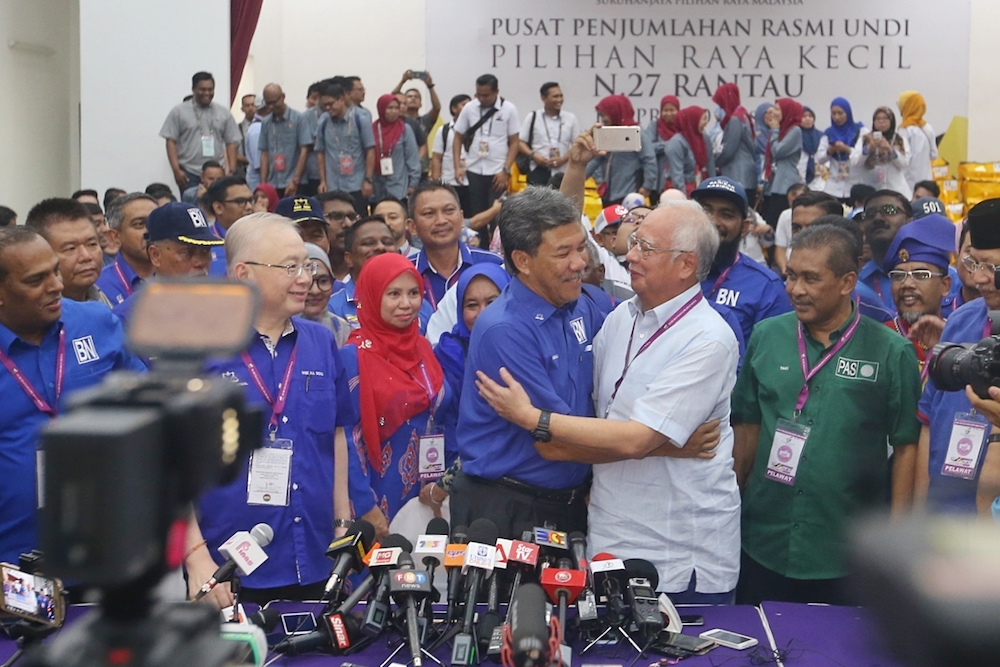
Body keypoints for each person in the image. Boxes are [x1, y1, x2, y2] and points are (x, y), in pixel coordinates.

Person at [475, 199, 739, 600]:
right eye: (634, 241)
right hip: (606, 537)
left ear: (686, 265)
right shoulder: (619, 318)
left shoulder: (707, 339)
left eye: (646, 249)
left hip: (676, 549)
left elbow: (632, 439)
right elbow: (579, 439)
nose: (629, 255)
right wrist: (668, 446)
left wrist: (533, 417)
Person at [733, 224, 920, 605]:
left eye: (811, 278)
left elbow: (906, 448)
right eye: (791, 276)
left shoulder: (891, 351)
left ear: (847, 281)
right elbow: (747, 426)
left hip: (844, 549)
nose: (796, 289)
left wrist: (898, 536)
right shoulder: (766, 336)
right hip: (764, 539)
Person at [184, 213, 359, 607]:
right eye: (290, 266)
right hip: (227, 569)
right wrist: (195, 558)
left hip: (316, 559)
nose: (305, 278)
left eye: (308, 265)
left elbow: (335, 433)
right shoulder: (198, 348)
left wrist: (341, 524)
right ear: (244, 273)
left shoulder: (320, 341)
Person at [449, 186, 604, 537]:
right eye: (563, 253)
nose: (580, 263)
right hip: (505, 510)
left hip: (567, 502)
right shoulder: (504, 329)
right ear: (522, 261)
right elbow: (558, 441)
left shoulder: (580, 304)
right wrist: (657, 444)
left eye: (581, 247)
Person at [0, 226, 145, 565]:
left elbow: (147, 406)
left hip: (107, 559)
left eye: (54, 270)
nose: (56, 286)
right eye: (36, 280)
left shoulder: (96, 322)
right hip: (12, 570)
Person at [340, 252, 459, 528]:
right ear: (372, 296)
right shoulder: (354, 356)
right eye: (393, 294)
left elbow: (442, 416)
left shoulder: (423, 348)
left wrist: (444, 485)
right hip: (381, 494)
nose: (406, 304)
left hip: (431, 490)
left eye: (414, 293)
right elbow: (348, 438)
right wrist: (364, 505)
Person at [916, 199, 1000, 515]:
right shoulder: (960, 320)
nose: (978, 279)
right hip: (942, 524)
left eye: (992, 268)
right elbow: (928, 423)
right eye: (974, 263)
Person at [691, 177, 791, 344]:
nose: (713, 221)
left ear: (744, 227)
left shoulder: (766, 287)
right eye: (705, 211)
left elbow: (774, 356)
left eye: (726, 215)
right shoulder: (666, 269)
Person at [111, 202, 222, 328]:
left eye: (205, 251)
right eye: (186, 252)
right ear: (155, 255)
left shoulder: (223, 309)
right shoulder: (129, 319)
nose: (200, 262)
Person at [407, 182, 503, 310]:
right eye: (429, 213)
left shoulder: (494, 264)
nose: (441, 221)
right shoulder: (405, 272)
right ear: (412, 227)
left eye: (449, 210)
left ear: (462, 218)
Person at [452, 74, 520, 247]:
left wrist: (506, 170)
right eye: (478, 94)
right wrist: (458, 166)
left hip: (498, 171)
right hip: (474, 170)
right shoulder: (469, 108)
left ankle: (500, 252)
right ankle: (480, 253)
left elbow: (514, 143)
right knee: (478, 216)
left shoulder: (509, 109)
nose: (481, 99)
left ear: (496, 92)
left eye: (486, 95)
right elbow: (458, 137)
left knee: (498, 217)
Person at [881, 213, 955, 370]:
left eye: (921, 275)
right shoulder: (877, 338)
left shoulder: (958, 336)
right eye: (898, 275)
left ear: (945, 286)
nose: (907, 284)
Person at [435, 264, 511, 399]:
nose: (482, 313)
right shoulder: (450, 354)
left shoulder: (526, 344)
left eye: (492, 302)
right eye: (472, 305)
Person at [160, 72, 241, 192]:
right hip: (189, 172)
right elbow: (170, 141)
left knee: (217, 207)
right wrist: (176, 170)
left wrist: (232, 171)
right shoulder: (179, 112)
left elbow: (231, 142)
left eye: (210, 89)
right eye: (202, 89)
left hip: (217, 174)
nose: (207, 93)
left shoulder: (223, 112)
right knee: (191, 209)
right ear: (193, 89)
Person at [25, 199, 110, 306]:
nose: (86, 256)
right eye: (71, 248)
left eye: (92, 244)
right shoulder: (33, 316)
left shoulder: (100, 297)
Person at [315, 81, 376, 214]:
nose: (328, 108)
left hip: (356, 184)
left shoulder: (360, 119)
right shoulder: (323, 121)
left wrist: (368, 180)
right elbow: (320, 152)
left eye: (331, 104)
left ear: (341, 99)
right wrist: (323, 181)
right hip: (333, 185)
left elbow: (370, 150)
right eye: (325, 105)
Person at [328, 215, 399, 328]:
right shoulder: (332, 307)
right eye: (368, 243)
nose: (380, 247)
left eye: (387, 242)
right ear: (349, 258)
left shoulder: (416, 304)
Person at [587, 95, 656, 205]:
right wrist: (579, 175)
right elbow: (596, 159)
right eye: (601, 116)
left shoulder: (636, 133)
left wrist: (647, 186)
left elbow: (649, 159)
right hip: (609, 194)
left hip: (630, 195)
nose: (603, 119)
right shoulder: (608, 133)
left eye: (605, 115)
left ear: (615, 112)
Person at [96, 193, 157, 305]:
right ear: (115, 237)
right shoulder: (99, 286)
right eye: (139, 224)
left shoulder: (179, 277)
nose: (150, 231)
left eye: (156, 223)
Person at [518, 82, 579, 187]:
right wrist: (534, 156)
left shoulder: (570, 118)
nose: (559, 100)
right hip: (538, 170)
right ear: (543, 98)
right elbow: (520, 142)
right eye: (555, 96)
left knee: (560, 203)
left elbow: (577, 145)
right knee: (536, 203)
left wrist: (563, 159)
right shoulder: (533, 117)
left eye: (561, 96)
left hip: (562, 172)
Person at [259, 83, 312, 197]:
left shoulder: (299, 118)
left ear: (283, 97)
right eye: (268, 103)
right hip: (273, 182)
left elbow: (304, 151)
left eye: (274, 102)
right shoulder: (266, 122)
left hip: (294, 183)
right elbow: (264, 153)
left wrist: (295, 180)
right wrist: (264, 184)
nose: (271, 107)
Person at [760, 98, 804, 228]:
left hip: (784, 186)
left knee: (775, 224)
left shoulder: (795, 130)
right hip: (773, 184)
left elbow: (778, 151)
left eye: (778, 109)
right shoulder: (782, 129)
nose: (773, 112)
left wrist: (774, 130)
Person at [852, 107, 912, 199]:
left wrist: (890, 150)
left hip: (895, 189)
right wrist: (868, 148)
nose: (881, 122)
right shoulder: (865, 139)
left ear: (891, 121)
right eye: (878, 119)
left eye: (885, 118)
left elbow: (904, 164)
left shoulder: (899, 139)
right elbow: (855, 162)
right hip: (871, 188)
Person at [371, 94, 421, 204]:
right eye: (389, 108)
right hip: (376, 186)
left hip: (399, 186)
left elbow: (412, 158)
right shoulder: (372, 129)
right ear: (381, 109)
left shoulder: (405, 129)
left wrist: (413, 184)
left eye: (396, 108)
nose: (393, 111)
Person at [712, 84, 757, 205]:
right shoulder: (743, 115)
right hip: (745, 173)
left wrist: (713, 163)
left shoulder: (735, 120)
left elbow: (729, 151)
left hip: (738, 173)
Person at [816, 98, 866, 203]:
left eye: (840, 113)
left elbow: (862, 156)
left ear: (848, 112)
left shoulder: (860, 131)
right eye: (833, 113)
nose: (837, 117)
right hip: (833, 187)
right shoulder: (829, 133)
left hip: (854, 186)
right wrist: (830, 151)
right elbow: (819, 158)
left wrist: (846, 149)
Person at [203, 176, 254, 276]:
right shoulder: (203, 244)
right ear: (218, 207)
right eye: (240, 202)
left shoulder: (262, 239)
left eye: (251, 200)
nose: (249, 207)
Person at [302, 242, 350, 347]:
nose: (315, 291)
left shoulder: (343, 331)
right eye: (307, 282)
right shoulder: (275, 331)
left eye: (323, 281)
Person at [431, 94, 472, 213]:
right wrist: (435, 183)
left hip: (473, 182)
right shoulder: (444, 131)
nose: (468, 108)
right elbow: (436, 158)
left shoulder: (476, 129)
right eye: (464, 105)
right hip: (449, 182)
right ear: (454, 109)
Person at [665, 106, 714, 198]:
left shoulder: (703, 138)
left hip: (700, 188)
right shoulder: (676, 143)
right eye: (703, 119)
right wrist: (684, 200)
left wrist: (714, 190)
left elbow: (710, 164)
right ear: (693, 121)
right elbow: (677, 175)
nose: (706, 123)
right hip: (683, 191)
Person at [897, 91, 937, 192]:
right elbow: (934, 155)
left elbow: (903, 158)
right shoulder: (928, 128)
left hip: (908, 182)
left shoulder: (904, 129)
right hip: (926, 181)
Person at [316, 190, 359, 282]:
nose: (348, 224)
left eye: (352, 217)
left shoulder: (366, 274)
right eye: (337, 216)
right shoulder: (304, 278)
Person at [645, 95, 681, 195]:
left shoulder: (682, 127)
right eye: (665, 110)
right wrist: (671, 145)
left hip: (676, 178)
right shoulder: (655, 126)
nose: (668, 113)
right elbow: (648, 148)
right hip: (657, 178)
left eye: (672, 110)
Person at [799, 107, 824, 186]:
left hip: (818, 177)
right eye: (804, 116)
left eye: (810, 116)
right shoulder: (794, 135)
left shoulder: (821, 136)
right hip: (799, 176)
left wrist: (825, 167)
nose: (808, 119)